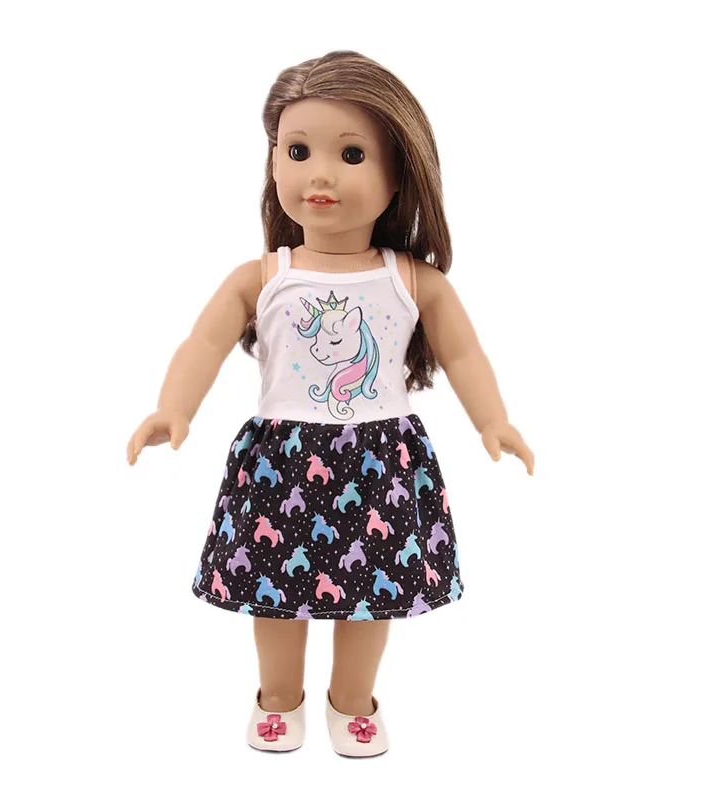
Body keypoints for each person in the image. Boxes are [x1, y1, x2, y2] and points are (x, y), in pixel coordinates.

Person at [126, 50, 534, 757]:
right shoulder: (263, 277)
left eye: (351, 154)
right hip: (282, 458)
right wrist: (174, 407)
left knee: (370, 593)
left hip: (380, 458)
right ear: (273, 162)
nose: (320, 174)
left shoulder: (413, 279)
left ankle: (353, 701)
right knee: (274, 592)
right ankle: (278, 696)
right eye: (298, 151)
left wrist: (492, 421)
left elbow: (465, 354)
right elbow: (203, 342)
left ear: (399, 173)